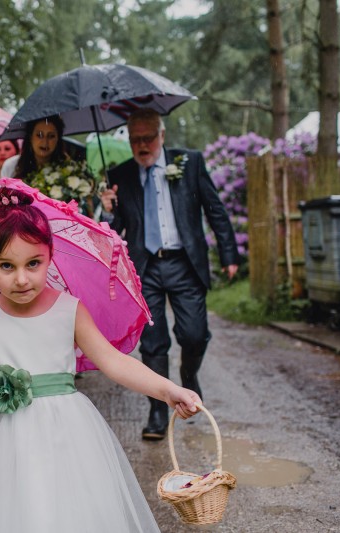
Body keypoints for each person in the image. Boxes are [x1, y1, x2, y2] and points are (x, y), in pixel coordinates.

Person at [0, 186, 202, 533]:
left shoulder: (69, 309)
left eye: (33, 263)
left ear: (50, 255)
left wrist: (167, 391)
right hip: (0, 440)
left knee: (64, 514)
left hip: (64, 435)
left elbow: (114, 361)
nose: (21, 278)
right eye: (6, 266)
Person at [99, 108, 239, 441]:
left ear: (162, 136)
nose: (142, 145)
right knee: (153, 342)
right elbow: (112, 230)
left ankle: (189, 377)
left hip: (185, 263)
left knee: (194, 335)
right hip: (144, 266)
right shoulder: (120, 174)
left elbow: (215, 209)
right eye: (135, 139)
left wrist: (229, 254)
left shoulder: (189, 163)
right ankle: (158, 411)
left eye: (148, 138)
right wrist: (107, 209)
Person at [0, 115, 68, 180]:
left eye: (51, 136)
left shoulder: (67, 169)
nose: (45, 142)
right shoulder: (11, 166)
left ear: (58, 139)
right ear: (30, 137)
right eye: (39, 135)